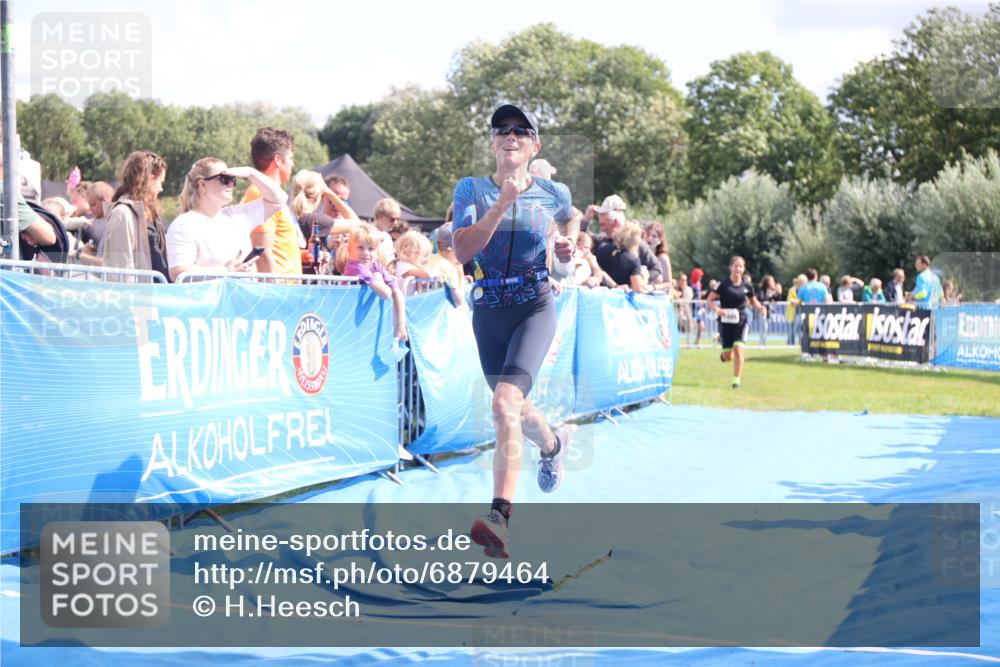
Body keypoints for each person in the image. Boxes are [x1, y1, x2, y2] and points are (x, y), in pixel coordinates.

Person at [452, 103, 579, 558]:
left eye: (521, 131)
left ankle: (499, 518)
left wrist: (566, 246)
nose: (510, 136)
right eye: (502, 130)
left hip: (533, 304)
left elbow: (570, 215)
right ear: (491, 142)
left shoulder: (552, 192)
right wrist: (501, 205)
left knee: (504, 403)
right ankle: (553, 443)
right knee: (516, 411)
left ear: (534, 145)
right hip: (488, 308)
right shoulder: (470, 189)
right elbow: (463, 252)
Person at [166, 157, 287, 281]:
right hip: (210, 299)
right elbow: (178, 272)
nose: (230, 183)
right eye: (224, 178)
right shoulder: (184, 224)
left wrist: (251, 172)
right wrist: (226, 272)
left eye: (233, 178)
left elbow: (279, 199)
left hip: (243, 298)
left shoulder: (238, 215)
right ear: (202, 184)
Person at [241, 127, 301, 275]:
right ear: (278, 160)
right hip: (278, 292)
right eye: (291, 158)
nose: (292, 164)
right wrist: (274, 293)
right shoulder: (260, 193)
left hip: (285, 290)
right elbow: (261, 253)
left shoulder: (267, 193)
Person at [103, 151, 169, 281]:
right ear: (150, 179)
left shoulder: (150, 212)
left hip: (158, 294)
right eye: (160, 182)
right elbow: (121, 268)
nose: (161, 189)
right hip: (140, 297)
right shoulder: (122, 214)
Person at [707, 256, 767, 389]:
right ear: (730, 268)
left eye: (740, 266)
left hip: (741, 321)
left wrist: (761, 308)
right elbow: (710, 300)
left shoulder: (747, 286)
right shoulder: (723, 284)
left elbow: (753, 301)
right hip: (725, 321)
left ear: (743, 269)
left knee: (739, 349)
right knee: (728, 356)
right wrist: (717, 309)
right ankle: (725, 354)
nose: (738, 269)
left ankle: (736, 381)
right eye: (736, 266)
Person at [343, 223, 407, 341]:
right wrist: (378, 279)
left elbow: (396, 292)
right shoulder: (356, 266)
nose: (366, 253)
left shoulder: (375, 265)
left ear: (376, 251)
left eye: (371, 249)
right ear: (349, 249)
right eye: (360, 247)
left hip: (363, 321)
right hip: (348, 317)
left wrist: (400, 325)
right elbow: (386, 294)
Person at [595, 219, 648, 292]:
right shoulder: (633, 260)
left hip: (600, 293)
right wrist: (645, 278)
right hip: (619, 299)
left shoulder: (602, 249)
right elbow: (638, 289)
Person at [755, 274, 781, 345]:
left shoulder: (773, 290)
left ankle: (764, 343)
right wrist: (768, 296)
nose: (773, 282)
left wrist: (778, 293)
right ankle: (761, 344)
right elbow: (760, 298)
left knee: (766, 328)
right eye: (771, 281)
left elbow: (776, 299)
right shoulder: (762, 289)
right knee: (764, 327)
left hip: (769, 311)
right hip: (762, 310)